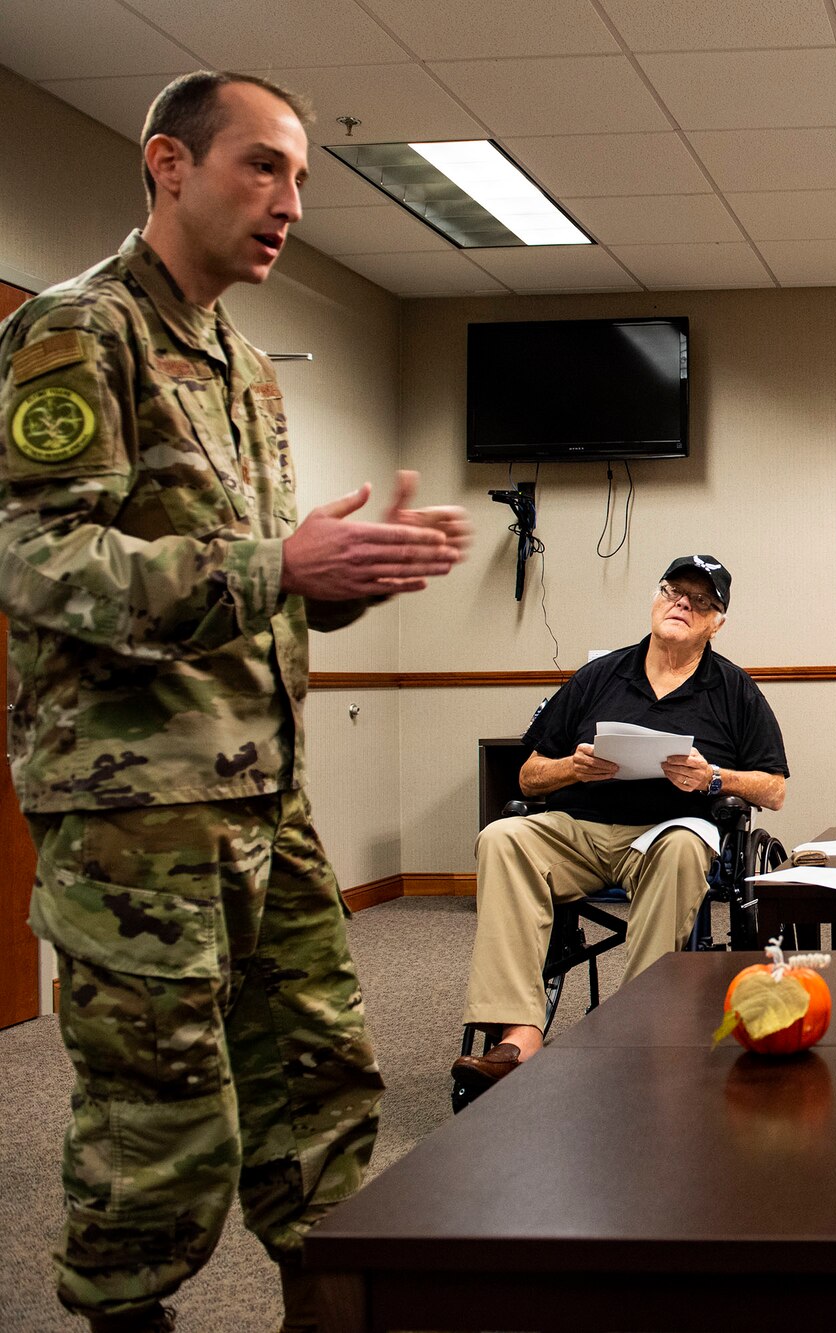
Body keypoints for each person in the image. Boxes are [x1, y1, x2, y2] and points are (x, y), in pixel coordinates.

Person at [0, 72, 471, 1333]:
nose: (290, 202)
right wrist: (278, 565)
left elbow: (259, 587)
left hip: (264, 793)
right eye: (263, 167)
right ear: (167, 163)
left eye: (302, 177)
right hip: (131, 815)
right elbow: (42, 564)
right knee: (158, 1123)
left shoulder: (248, 370)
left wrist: (344, 580)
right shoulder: (74, 329)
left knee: (323, 1086)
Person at [451, 554, 788, 1093]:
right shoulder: (599, 676)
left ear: (717, 622)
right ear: (656, 598)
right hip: (581, 831)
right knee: (503, 837)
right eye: (674, 591)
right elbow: (529, 777)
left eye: (700, 600)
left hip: (669, 835)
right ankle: (519, 1035)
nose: (682, 603)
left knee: (682, 846)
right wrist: (570, 767)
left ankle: (636, 1032)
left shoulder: (733, 689)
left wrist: (713, 777)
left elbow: (774, 788)